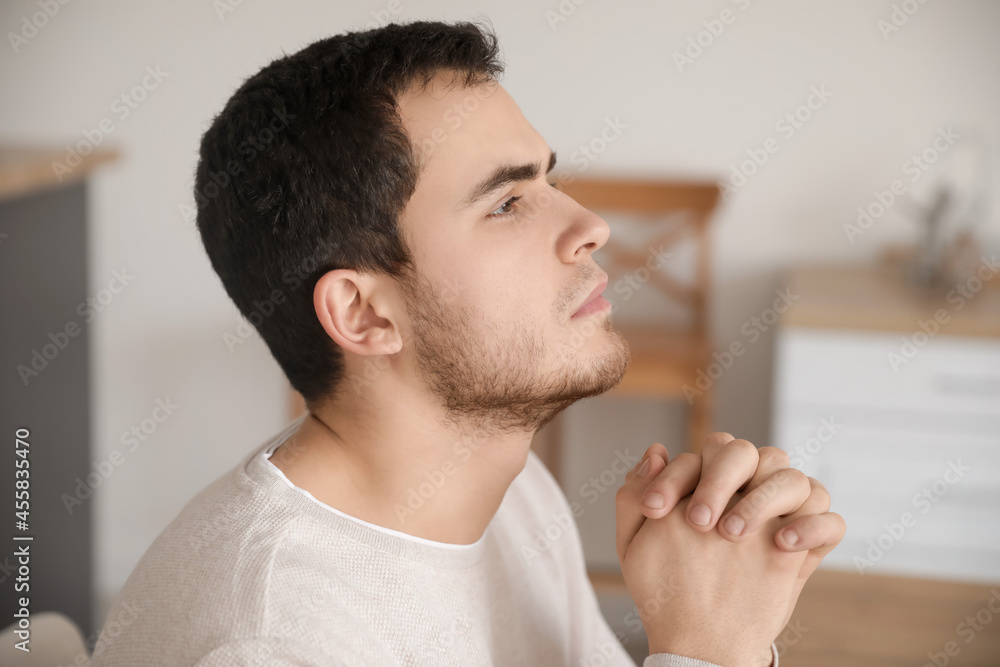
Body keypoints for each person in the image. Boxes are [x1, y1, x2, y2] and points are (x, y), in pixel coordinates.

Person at [90, 19, 844, 667]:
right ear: (364, 314)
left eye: (550, 181)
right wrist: (706, 648)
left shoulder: (507, 484)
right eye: (508, 202)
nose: (591, 226)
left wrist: (712, 614)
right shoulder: (275, 636)